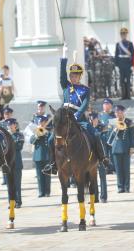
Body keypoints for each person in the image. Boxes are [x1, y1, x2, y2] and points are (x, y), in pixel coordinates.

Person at [42, 44, 109, 175]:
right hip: (64, 115)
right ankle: (52, 164)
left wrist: (78, 114)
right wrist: (63, 57)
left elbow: (84, 104)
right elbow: (62, 75)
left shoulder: (85, 90)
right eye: (71, 75)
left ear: (79, 76)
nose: (73, 78)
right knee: (51, 139)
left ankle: (102, 158)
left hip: (78, 116)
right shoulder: (66, 86)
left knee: (95, 134)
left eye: (75, 76)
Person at [107, 105, 134, 193]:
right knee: (118, 170)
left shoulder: (129, 122)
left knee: (126, 169)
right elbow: (108, 136)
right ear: (115, 113)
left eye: (120, 112)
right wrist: (114, 130)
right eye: (117, 112)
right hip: (116, 148)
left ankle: (127, 187)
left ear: (123, 112)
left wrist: (132, 147)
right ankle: (120, 187)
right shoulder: (112, 122)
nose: (119, 114)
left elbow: (132, 136)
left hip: (126, 147)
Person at [30, 116, 51, 198]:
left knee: (47, 175)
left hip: (46, 156)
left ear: (45, 123)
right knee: (39, 176)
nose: (41, 124)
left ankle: (47, 192)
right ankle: (41, 191)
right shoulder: (35, 132)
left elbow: (50, 142)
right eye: (39, 123)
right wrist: (37, 135)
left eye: (42, 122)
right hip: (38, 156)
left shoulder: (48, 133)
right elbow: (31, 141)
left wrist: (45, 133)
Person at [89, 112, 108, 202]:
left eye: (94, 119)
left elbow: (105, 140)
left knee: (102, 177)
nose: (93, 121)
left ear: (97, 119)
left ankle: (103, 197)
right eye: (91, 120)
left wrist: (97, 133)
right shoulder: (88, 128)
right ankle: (94, 198)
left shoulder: (102, 127)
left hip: (101, 155)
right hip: (92, 156)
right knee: (92, 178)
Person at [6, 118, 25, 207]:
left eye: (11, 125)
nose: (9, 126)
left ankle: (18, 201)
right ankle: (11, 202)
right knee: (9, 185)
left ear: (15, 125)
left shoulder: (19, 135)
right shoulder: (4, 136)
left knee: (17, 184)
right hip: (7, 163)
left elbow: (19, 147)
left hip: (16, 163)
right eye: (8, 125)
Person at [114, 27, 134, 100]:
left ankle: (128, 95)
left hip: (128, 63)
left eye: (125, 34)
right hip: (121, 63)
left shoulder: (130, 43)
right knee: (122, 80)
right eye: (122, 34)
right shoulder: (118, 44)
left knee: (128, 80)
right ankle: (123, 95)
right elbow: (116, 55)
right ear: (121, 35)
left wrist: (132, 65)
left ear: (126, 35)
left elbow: (133, 54)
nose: (123, 35)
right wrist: (116, 65)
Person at [98, 98, 115, 174]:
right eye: (104, 104)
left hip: (112, 137)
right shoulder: (100, 115)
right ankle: (107, 168)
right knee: (105, 154)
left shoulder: (114, 115)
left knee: (112, 153)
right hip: (103, 138)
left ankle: (113, 168)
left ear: (111, 106)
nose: (106, 106)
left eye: (107, 104)